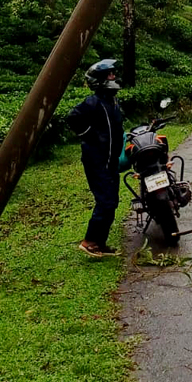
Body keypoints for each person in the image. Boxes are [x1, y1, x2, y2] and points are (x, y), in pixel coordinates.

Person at [63, 57, 124, 259]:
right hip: (97, 161)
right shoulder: (93, 102)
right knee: (105, 201)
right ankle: (89, 241)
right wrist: (91, 136)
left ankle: (100, 243)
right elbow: (72, 118)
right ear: (100, 79)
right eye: (109, 74)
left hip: (110, 160)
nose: (113, 76)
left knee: (112, 201)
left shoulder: (112, 101)